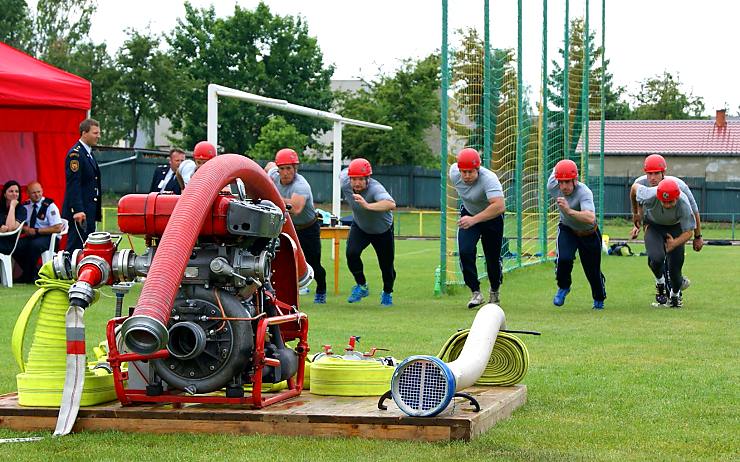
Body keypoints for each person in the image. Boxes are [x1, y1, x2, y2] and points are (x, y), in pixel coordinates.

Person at [264, 148, 327, 304]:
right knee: (280, 260)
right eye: (282, 169)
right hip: (286, 227)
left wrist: (274, 196)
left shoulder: (301, 186)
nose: (285, 173)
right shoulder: (273, 175)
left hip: (307, 228)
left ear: (295, 169)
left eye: (289, 168)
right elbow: (269, 166)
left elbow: (296, 208)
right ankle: (282, 293)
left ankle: (321, 289)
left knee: (312, 262)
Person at [449, 148, 506, 309]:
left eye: (471, 172)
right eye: (464, 172)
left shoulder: (489, 179)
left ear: (478, 169)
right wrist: (471, 219)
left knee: (492, 259)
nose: (466, 176)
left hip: (492, 218)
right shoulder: (453, 173)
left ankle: (494, 290)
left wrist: (474, 220)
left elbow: (500, 206)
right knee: (465, 251)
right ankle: (475, 292)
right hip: (469, 214)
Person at [547, 160, 606, 310]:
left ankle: (599, 298)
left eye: (567, 182)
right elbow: (557, 168)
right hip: (568, 229)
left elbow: (590, 217)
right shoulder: (552, 186)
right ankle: (564, 287)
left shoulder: (584, 192)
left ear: (575, 180)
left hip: (589, 233)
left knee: (592, 271)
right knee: (563, 259)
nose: (564, 186)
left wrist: (569, 211)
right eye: (561, 182)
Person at [631, 178, 696, 308]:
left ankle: (674, 296)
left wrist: (675, 243)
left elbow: (689, 232)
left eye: (670, 202)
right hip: (654, 226)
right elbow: (633, 189)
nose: (667, 205)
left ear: (677, 198)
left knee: (675, 272)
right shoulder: (650, 193)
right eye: (664, 202)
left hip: (675, 229)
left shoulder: (684, 204)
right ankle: (660, 284)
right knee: (656, 258)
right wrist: (636, 213)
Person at [340, 158, 396, 306]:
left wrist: (367, 205)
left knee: (386, 265)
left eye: (361, 179)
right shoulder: (344, 181)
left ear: (368, 179)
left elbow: (391, 204)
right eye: (354, 179)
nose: (357, 183)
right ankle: (362, 285)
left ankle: (387, 292)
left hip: (382, 230)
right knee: (351, 253)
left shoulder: (376, 188)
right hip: (361, 227)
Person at [631, 154, 703, 253]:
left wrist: (698, 236)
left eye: (656, 173)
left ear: (663, 173)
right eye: (649, 173)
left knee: (675, 266)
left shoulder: (679, 186)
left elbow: (694, 210)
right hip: (653, 224)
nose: (652, 178)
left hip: (675, 225)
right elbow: (638, 200)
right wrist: (636, 219)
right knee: (656, 260)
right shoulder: (641, 184)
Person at [62, 118, 101, 252]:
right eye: (95, 133)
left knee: (87, 246)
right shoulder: (76, 154)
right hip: (81, 210)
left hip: (89, 209)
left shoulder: (88, 154)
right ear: (84, 133)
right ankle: (70, 272)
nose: (98, 136)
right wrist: (77, 209)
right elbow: (74, 183)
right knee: (75, 247)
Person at [16, 181, 64, 282]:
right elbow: (20, 223)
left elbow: (58, 228)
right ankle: (33, 273)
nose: (37, 195)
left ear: (42, 191)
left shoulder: (49, 205)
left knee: (34, 246)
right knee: (16, 247)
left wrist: (37, 231)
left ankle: (28, 276)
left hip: (49, 237)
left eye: (39, 192)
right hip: (32, 236)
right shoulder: (26, 206)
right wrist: (26, 229)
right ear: (28, 193)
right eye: (33, 193)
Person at [0, 180, 27, 256]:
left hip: (8, 243)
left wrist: (12, 206)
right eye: (11, 191)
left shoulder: (22, 210)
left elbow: (10, 227)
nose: (14, 194)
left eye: (17, 191)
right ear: (5, 194)